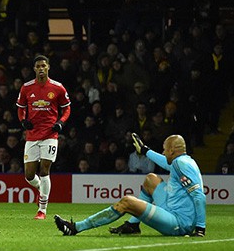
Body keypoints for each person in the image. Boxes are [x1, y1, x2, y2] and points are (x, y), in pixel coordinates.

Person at [54, 133, 206, 237]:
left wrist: (200, 228)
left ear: (172, 150)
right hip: (172, 208)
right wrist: (145, 150)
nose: (164, 152)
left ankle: (76, 227)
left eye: (165, 149)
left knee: (127, 201)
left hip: (178, 223)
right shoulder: (183, 161)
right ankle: (133, 225)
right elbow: (165, 163)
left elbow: (199, 196)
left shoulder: (181, 165)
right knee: (151, 179)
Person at [16, 55, 71, 220]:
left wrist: (60, 123)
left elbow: (67, 109)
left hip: (50, 135)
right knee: (29, 175)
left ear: (48, 68)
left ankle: (42, 210)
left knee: (45, 169)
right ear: (34, 69)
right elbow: (20, 108)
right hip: (32, 136)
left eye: (43, 66)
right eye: (38, 66)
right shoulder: (26, 88)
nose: (41, 68)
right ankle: (41, 190)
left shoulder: (58, 88)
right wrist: (23, 121)